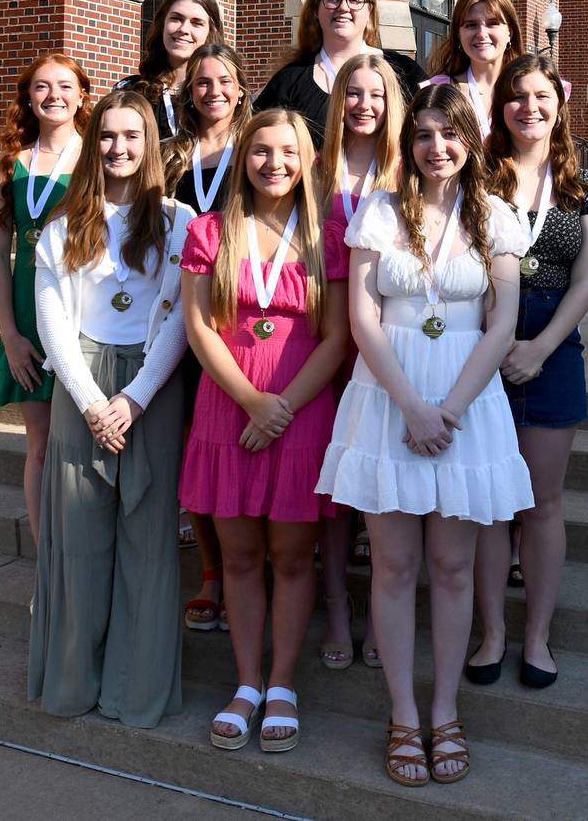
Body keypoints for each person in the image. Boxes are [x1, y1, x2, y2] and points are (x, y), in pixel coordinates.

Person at [316, 83, 534, 786]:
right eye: (423, 134)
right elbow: (363, 318)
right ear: (409, 144)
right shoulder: (379, 210)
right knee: (393, 565)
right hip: (390, 398)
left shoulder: (497, 217)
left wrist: (450, 407)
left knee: (453, 568)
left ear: (470, 141)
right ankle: (403, 713)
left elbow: (501, 323)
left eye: (449, 133)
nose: (435, 147)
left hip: (468, 403)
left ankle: (445, 710)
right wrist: (410, 404)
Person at [179, 109, 349, 752]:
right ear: (242, 158)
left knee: (290, 558)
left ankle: (282, 685)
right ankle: (246, 684)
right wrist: (253, 401)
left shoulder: (328, 237)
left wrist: (281, 408)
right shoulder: (208, 231)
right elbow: (198, 328)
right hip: (230, 410)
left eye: (287, 151)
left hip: (302, 416)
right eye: (259, 151)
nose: (273, 163)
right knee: (241, 557)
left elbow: (337, 339)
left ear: (307, 160)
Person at [27, 90, 194, 727]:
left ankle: (136, 691)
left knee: (148, 540)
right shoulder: (63, 224)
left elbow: (180, 314)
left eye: (132, 136)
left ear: (150, 144)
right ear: (92, 144)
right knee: (79, 540)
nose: (119, 148)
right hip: (81, 386)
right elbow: (51, 320)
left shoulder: (177, 221)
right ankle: (73, 682)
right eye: (107, 137)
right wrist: (96, 402)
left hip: (151, 382)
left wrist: (136, 397)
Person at [467, 54, 588, 690]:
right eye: (517, 96)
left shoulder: (587, 185)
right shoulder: (481, 179)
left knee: (543, 503)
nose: (530, 106)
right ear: (502, 107)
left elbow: (587, 279)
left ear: (560, 103)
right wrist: (495, 344)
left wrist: (540, 348)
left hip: (553, 343)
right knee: (493, 506)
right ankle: (492, 634)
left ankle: (537, 638)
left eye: (541, 96)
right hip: (483, 339)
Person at [317, 52, 405, 672]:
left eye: (375, 94)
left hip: (383, 339)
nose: (364, 105)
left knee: (376, 472)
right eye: (353, 93)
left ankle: (380, 607)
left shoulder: (407, 170)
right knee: (332, 479)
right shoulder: (314, 169)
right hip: (322, 334)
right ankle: (336, 606)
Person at [163, 43, 253, 634]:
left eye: (224, 80)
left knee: (238, 443)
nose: (212, 89)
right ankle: (214, 574)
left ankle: (255, 565)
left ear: (242, 89)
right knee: (198, 445)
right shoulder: (171, 155)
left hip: (244, 316)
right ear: (188, 92)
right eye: (201, 82)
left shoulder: (256, 148)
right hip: (179, 311)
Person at [0, 54, 91, 546]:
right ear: (29, 97)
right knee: (41, 445)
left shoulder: (96, 156)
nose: (54, 96)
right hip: (27, 316)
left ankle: (84, 552)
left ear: (81, 95)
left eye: (64, 85)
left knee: (86, 440)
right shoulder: (10, 162)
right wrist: (10, 335)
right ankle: (47, 564)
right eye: (42, 87)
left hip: (79, 308)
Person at [255, 0, 424, 148]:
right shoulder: (289, 81)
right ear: (316, 10)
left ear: (370, 10)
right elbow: (254, 141)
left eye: (355, 0)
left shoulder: (405, 72)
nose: (343, 7)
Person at [117, 0, 224, 141]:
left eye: (196, 23)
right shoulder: (130, 91)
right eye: (176, 19)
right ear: (162, 24)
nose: (184, 29)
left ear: (211, 32)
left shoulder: (221, 96)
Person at [424, 0, 524, 139]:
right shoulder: (438, 90)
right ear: (458, 34)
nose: (482, 34)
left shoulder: (532, 90)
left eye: (493, 23)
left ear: (509, 32)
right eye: (471, 25)